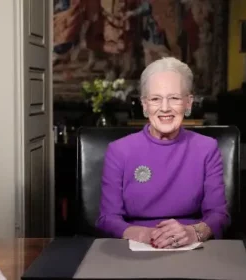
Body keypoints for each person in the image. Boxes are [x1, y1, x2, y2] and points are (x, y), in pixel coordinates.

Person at [96, 57, 229, 249]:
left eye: (174, 98)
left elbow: (219, 215)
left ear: (188, 103)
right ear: (144, 105)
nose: (165, 108)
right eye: (155, 99)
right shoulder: (118, 150)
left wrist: (193, 233)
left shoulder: (207, 148)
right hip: (135, 247)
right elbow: (107, 218)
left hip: (191, 248)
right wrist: (145, 234)